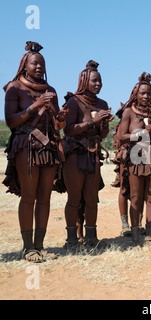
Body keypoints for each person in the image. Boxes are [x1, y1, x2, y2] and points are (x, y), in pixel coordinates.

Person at [3, 41, 68, 262]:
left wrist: (61, 118)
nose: (39, 67)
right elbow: (11, 121)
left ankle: (40, 245)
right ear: (24, 65)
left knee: (45, 197)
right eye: (34, 63)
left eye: (42, 64)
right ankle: (28, 247)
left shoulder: (51, 90)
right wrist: (35, 105)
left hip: (48, 147)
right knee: (29, 196)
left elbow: (58, 124)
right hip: (26, 145)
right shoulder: (15, 88)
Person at [62, 60, 114, 249]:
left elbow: (101, 135)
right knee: (74, 198)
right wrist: (92, 122)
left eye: (100, 81)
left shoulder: (102, 103)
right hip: (75, 155)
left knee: (92, 197)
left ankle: (91, 237)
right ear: (85, 81)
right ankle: (72, 239)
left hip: (93, 156)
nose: (98, 84)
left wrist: (105, 124)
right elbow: (67, 130)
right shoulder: (74, 102)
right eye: (94, 81)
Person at [115, 72, 151, 249]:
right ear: (136, 94)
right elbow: (122, 136)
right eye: (142, 93)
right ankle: (135, 238)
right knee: (135, 198)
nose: (146, 96)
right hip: (135, 159)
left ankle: (149, 237)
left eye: (149, 93)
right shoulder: (128, 112)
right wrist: (142, 133)